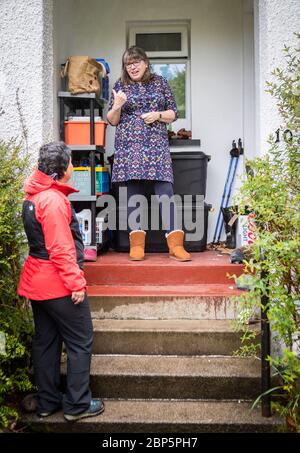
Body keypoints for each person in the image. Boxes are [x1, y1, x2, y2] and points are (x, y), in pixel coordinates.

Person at [18, 142, 104, 421]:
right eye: (70, 162)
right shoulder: (53, 201)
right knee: (80, 341)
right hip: (57, 283)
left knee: (46, 341)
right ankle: (78, 405)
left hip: (37, 283)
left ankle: (47, 402)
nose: (73, 167)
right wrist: (76, 284)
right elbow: (61, 249)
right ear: (60, 170)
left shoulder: (34, 195)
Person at [107, 46, 191, 262]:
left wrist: (158, 115)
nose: (132, 67)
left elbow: (173, 113)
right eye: (128, 63)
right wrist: (117, 106)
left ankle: (175, 245)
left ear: (145, 63)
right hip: (129, 147)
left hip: (156, 146)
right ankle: (136, 245)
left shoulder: (160, 82)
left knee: (165, 193)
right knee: (134, 195)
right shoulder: (120, 86)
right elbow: (112, 120)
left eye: (136, 62)